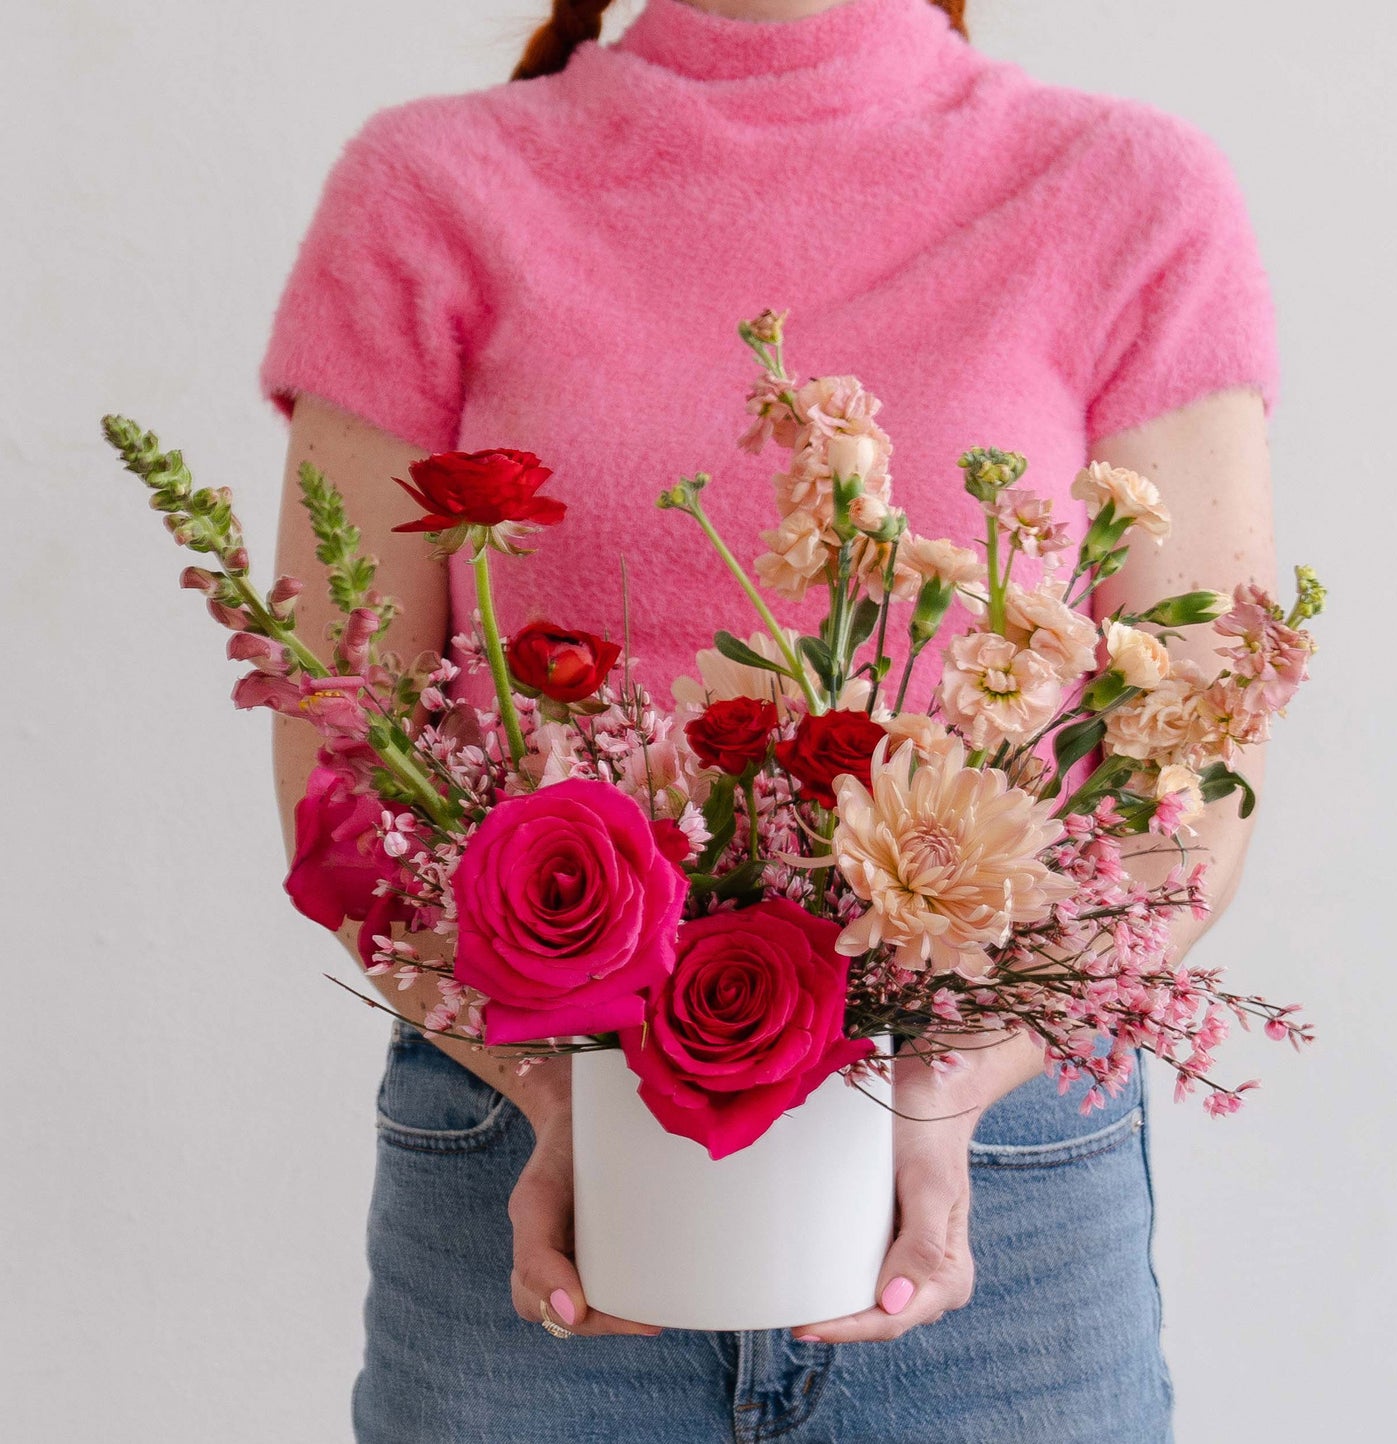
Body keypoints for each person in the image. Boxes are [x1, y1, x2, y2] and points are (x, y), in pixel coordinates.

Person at [259, 0, 1278, 1438]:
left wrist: (942, 1097)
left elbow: (1195, 771)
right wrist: (570, 1110)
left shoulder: (1121, 187)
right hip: (524, 1169)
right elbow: (343, 767)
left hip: (998, 1184)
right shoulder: (432, 189)